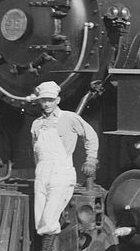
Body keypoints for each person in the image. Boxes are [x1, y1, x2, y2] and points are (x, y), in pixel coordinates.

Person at [29, 81, 99, 236]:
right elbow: (36, 152)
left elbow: (91, 136)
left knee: (49, 221)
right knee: (40, 221)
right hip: (41, 173)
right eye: (44, 100)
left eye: (50, 100)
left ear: (57, 100)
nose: (47, 103)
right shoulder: (36, 124)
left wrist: (91, 159)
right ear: (39, 101)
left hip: (60, 172)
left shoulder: (69, 118)